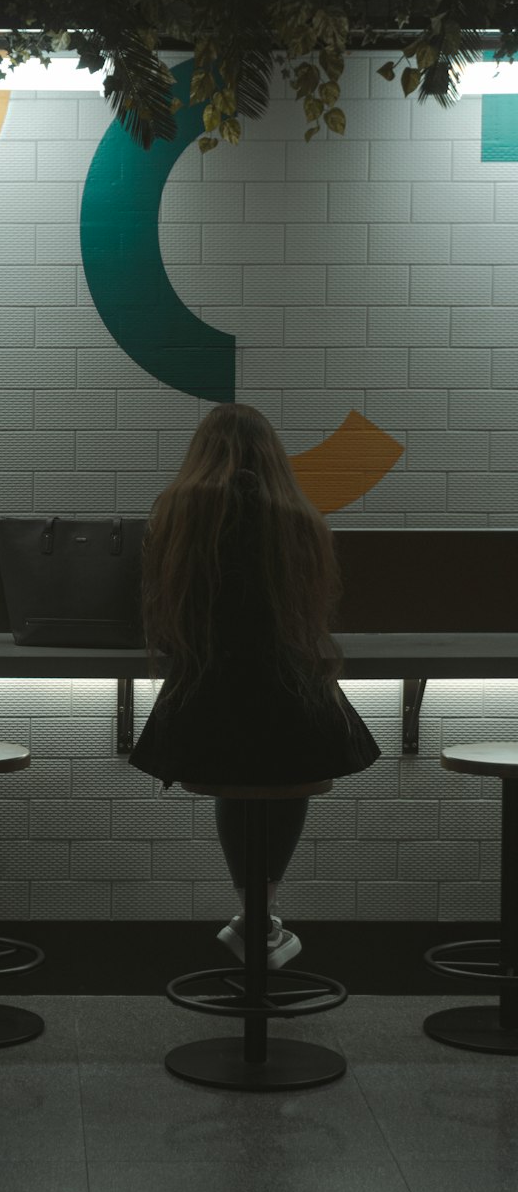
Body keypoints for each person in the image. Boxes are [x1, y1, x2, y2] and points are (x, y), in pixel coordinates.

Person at [129, 402, 380, 966]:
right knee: (282, 774)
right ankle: (260, 921)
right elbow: (305, 624)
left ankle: (254, 922)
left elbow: (167, 622)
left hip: (205, 710)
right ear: (274, 459)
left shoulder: (176, 513)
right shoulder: (300, 519)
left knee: (235, 777)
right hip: (292, 709)